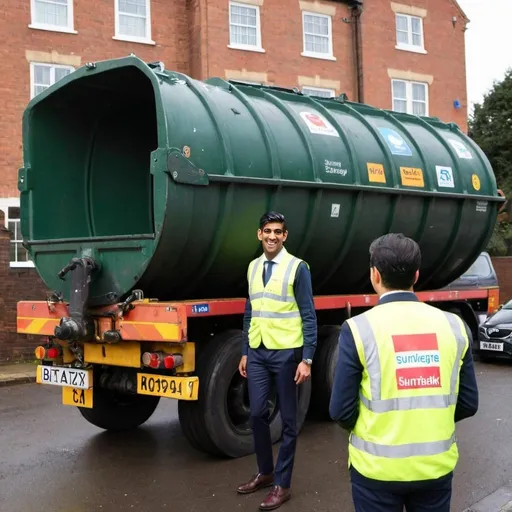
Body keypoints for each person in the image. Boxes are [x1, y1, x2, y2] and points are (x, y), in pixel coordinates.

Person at [329, 233, 479, 512]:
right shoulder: (455, 326)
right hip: (435, 469)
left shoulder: (359, 329)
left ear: (375, 275)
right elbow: (468, 403)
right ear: (417, 275)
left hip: (376, 472)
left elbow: (341, 410)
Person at [237, 211, 317, 511]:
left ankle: (282, 485)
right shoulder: (253, 267)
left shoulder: (297, 268)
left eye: (278, 232)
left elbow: (309, 314)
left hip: (287, 353)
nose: (272, 236)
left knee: (288, 422)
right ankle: (266, 472)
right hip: (258, 351)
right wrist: (245, 350)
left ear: (285, 236)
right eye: (267, 231)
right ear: (260, 234)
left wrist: (306, 358)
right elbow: (250, 312)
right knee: (257, 414)